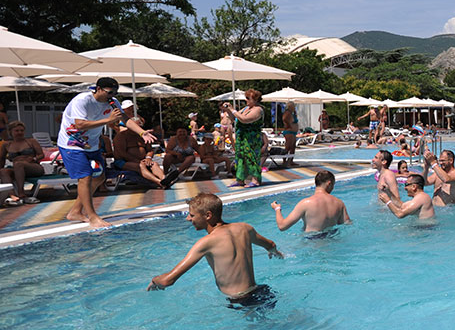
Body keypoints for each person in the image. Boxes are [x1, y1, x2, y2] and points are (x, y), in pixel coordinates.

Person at [147, 192, 283, 307]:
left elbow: (167, 281)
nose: (188, 219)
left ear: (208, 215)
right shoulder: (244, 228)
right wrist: (275, 253)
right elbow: (271, 245)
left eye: (192, 215)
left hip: (240, 301)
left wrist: (155, 280)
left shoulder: (206, 242)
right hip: (261, 292)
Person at [57, 76, 155, 227]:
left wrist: (142, 133)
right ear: (98, 89)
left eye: (115, 93)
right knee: (85, 177)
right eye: (109, 92)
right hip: (72, 145)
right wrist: (109, 120)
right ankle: (92, 217)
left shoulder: (112, 102)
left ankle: (75, 211)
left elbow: (125, 119)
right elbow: (80, 124)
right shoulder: (82, 100)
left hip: (92, 145)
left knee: (99, 177)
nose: (112, 96)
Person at [271, 170, 351, 234]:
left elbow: (282, 226)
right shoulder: (339, 203)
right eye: (333, 185)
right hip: (332, 239)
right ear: (329, 183)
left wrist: (277, 209)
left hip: (312, 241)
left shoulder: (305, 203)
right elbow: (347, 224)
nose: (333, 188)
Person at [0, 121, 45, 205]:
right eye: (17, 131)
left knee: (18, 164)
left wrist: (34, 158)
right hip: (17, 169)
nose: (20, 132)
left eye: (22, 130)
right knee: (3, 171)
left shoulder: (31, 141)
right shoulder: (7, 144)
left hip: (33, 167)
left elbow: (41, 155)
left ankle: (21, 193)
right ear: (11, 132)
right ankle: (12, 194)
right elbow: (1, 159)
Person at [227, 90, 265, 188]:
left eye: (248, 98)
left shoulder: (258, 109)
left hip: (252, 138)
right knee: (240, 158)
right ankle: (240, 179)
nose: (246, 100)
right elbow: (234, 118)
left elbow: (245, 120)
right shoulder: (246, 108)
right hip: (242, 137)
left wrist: (233, 110)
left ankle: (255, 180)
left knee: (252, 158)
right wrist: (228, 110)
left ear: (255, 99)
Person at [281, 101, 299, 167]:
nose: (294, 107)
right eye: (294, 106)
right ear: (290, 106)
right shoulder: (287, 112)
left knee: (293, 147)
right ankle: (284, 161)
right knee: (288, 146)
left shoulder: (292, 113)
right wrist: (289, 125)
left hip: (293, 132)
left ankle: (290, 160)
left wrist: (295, 114)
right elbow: (284, 118)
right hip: (289, 132)